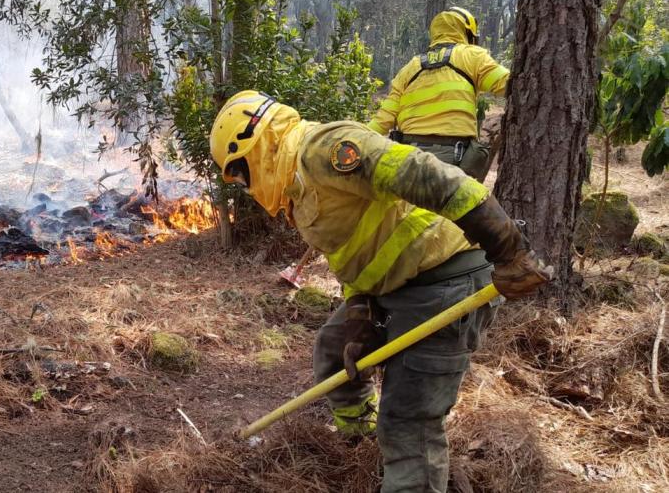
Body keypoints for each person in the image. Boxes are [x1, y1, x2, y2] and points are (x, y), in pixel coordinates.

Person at [210, 90, 552, 492]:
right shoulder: (299, 189)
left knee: (409, 423)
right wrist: (360, 316)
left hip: (443, 282)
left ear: (258, 143)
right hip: (398, 289)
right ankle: (360, 439)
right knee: (334, 350)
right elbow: (355, 257)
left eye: (240, 173)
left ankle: (407, 471)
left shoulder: (326, 149)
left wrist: (508, 248)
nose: (245, 186)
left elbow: (427, 173)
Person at [367, 7, 509, 182]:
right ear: (468, 33)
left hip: (407, 157)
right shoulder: (472, 56)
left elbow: (383, 120)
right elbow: (509, 85)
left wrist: (353, 136)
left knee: (409, 208)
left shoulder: (410, 68)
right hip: (454, 157)